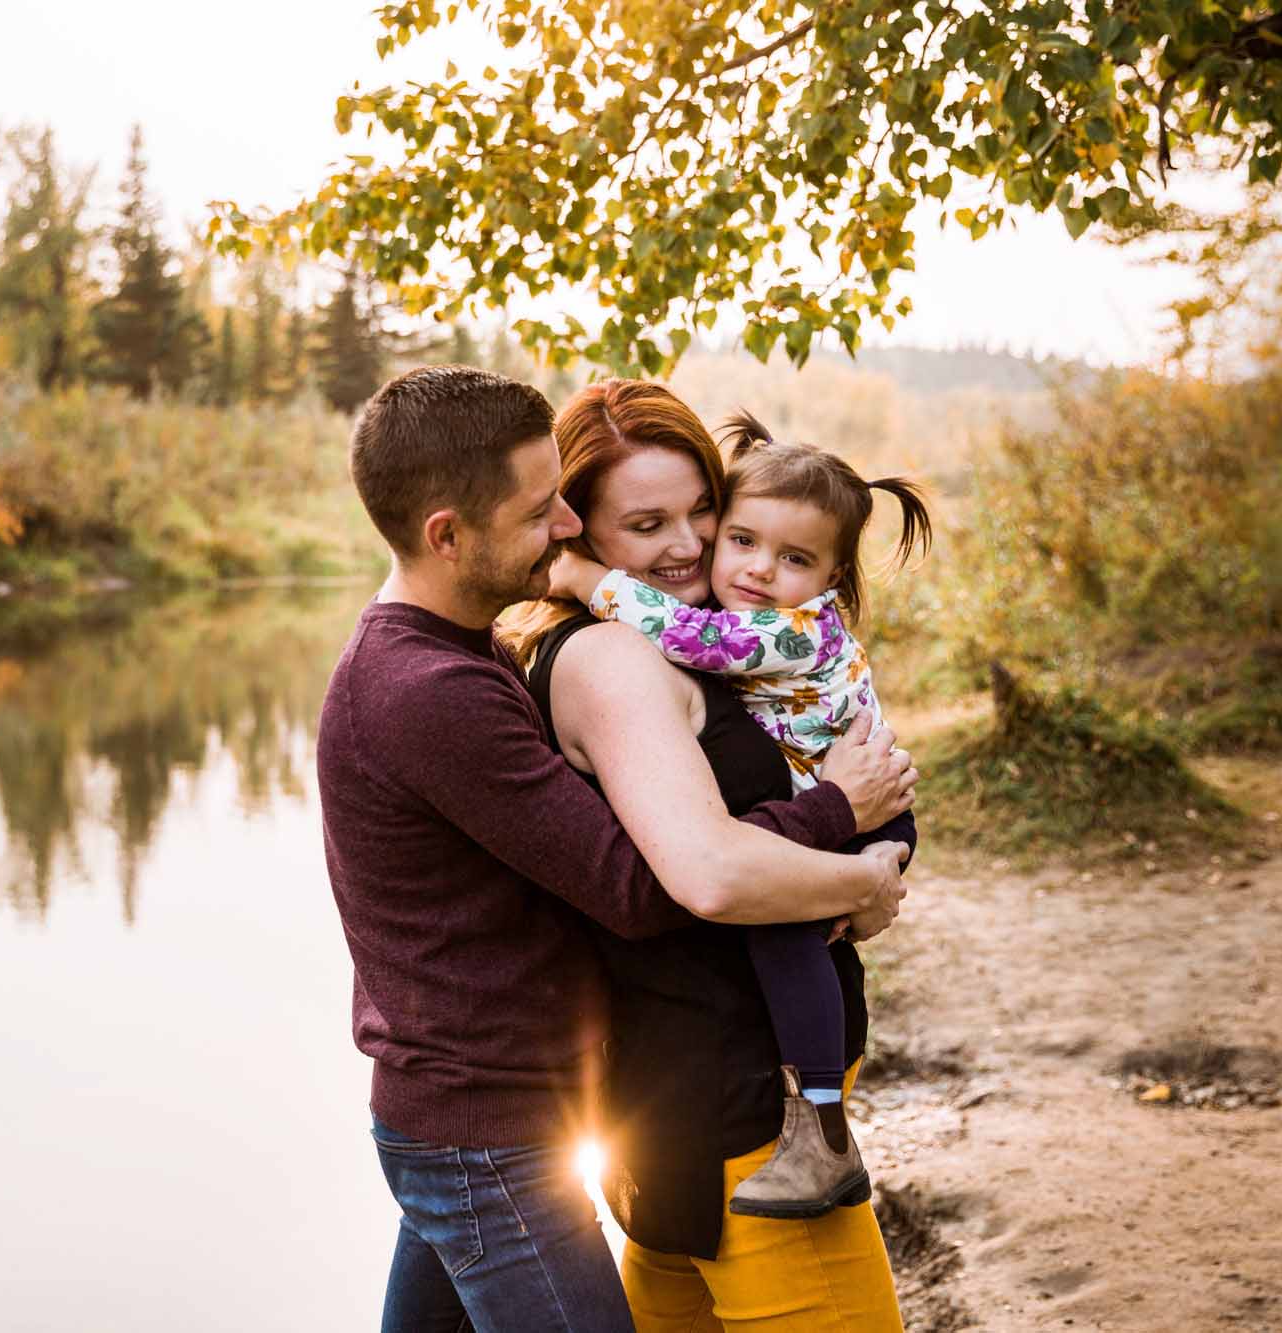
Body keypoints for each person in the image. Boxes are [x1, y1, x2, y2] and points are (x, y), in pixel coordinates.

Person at [317, 365, 917, 1332]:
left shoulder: (482, 649)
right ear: (449, 535)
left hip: (589, 1108)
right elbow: (664, 882)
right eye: (550, 512)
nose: (691, 544)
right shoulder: (492, 677)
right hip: (535, 1127)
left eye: (705, 511)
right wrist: (842, 840)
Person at [499, 379, 914, 1330]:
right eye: (647, 524)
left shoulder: (689, 645)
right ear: (575, 528)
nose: (687, 544)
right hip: (746, 1131)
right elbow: (713, 874)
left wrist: (854, 873)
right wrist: (860, 868)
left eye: (702, 511)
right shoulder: (616, 658)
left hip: (679, 1115)